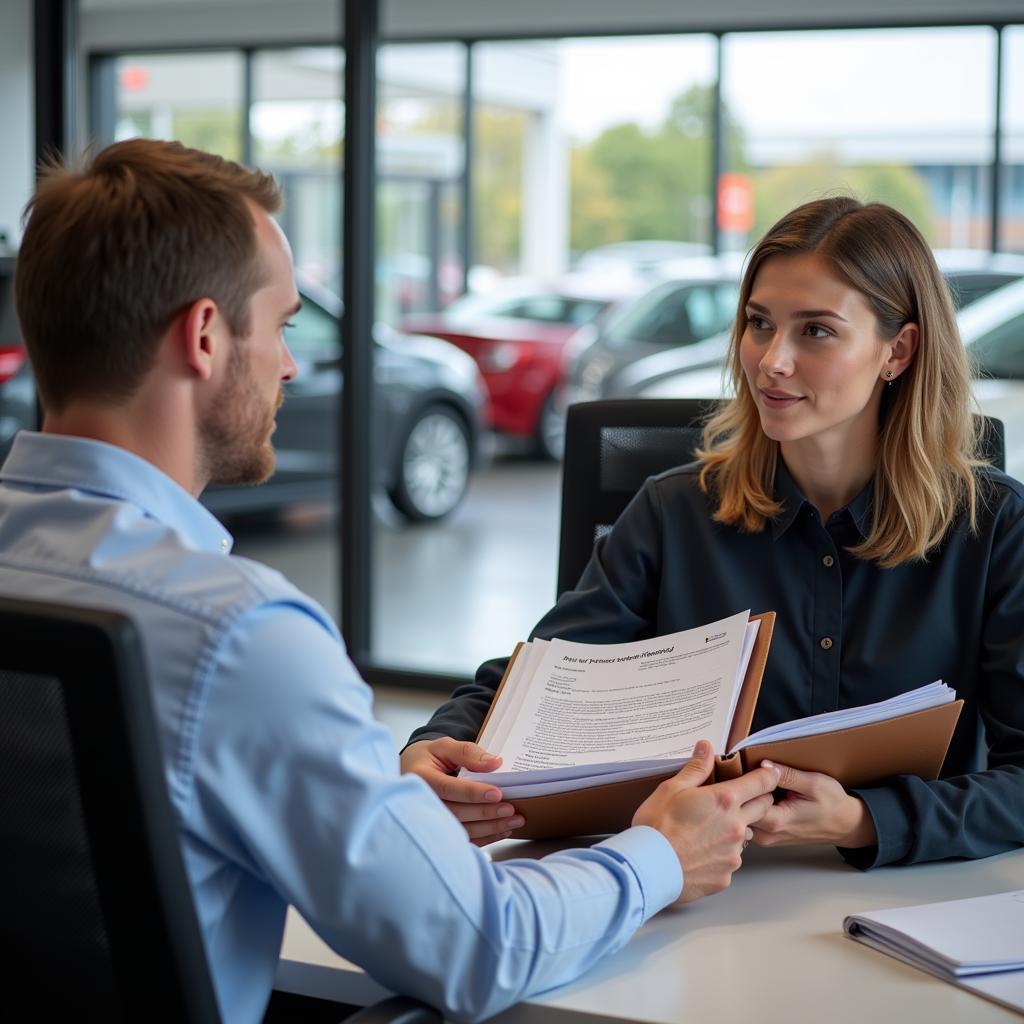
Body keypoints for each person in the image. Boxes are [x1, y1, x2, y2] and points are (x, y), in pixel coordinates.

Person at [0, 138, 782, 1024]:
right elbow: (479, 950)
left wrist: (387, 807)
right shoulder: (235, 635)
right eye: (284, 323)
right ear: (207, 336)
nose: (290, 365)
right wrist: (658, 857)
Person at [402, 196, 1024, 869]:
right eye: (760, 324)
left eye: (815, 331)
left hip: (905, 905)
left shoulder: (995, 529)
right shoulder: (673, 513)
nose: (771, 361)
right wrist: (437, 741)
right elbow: (549, 673)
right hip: (693, 891)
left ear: (897, 351)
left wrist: (865, 819)